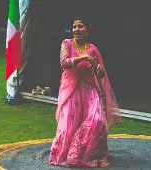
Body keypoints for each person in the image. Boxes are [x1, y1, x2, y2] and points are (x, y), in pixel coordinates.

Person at [49, 16, 122, 168]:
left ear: (88, 30)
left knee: (98, 121)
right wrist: (84, 57)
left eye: (80, 26)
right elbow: (64, 63)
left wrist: (100, 70)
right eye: (74, 26)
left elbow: (99, 73)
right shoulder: (67, 44)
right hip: (71, 90)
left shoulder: (93, 49)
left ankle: (96, 155)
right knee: (69, 124)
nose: (77, 29)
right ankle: (69, 155)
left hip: (89, 89)